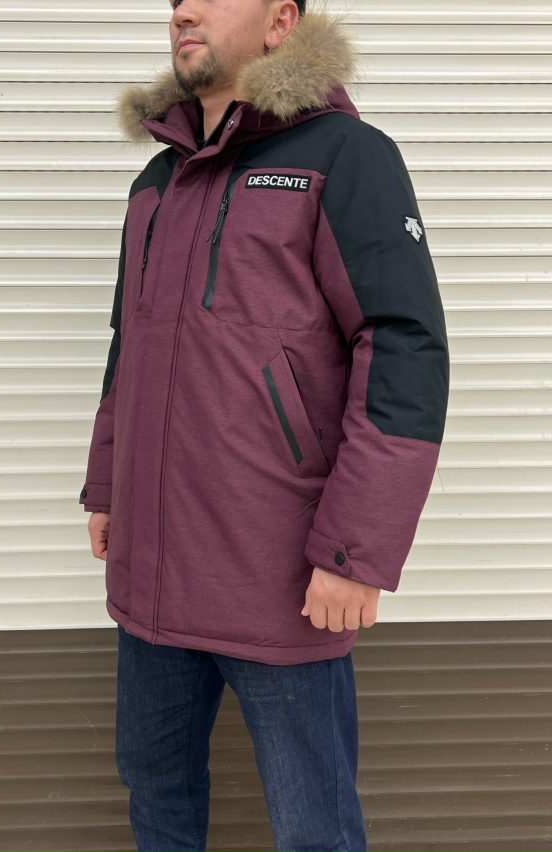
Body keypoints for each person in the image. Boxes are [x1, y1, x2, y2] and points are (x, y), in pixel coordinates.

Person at [80, 1, 450, 849]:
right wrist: (107, 485)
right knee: (155, 794)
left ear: (282, 21)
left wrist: (355, 552)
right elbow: (128, 344)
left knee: (313, 825)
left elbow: (404, 350)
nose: (183, 10)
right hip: (150, 572)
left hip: (280, 578)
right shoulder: (156, 182)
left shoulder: (345, 157)